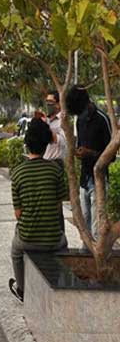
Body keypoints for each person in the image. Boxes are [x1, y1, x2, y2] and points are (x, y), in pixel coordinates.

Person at [8, 119, 68, 303]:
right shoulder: (55, 171)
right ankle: (61, 283)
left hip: (27, 239)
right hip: (53, 240)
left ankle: (23, 289)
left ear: (26, 145)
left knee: (15, 252)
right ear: (46, 145)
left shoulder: (17, 173)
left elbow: (18, 214)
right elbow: (58, 205)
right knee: (64, 246)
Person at [65, 85, 113, 239]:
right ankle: (87, 253)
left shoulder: (102, 119)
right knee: (84, 225)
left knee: (97, 228)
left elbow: (111, 154)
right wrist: (78, 152)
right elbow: (81, 145)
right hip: (84, 179)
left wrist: (90, 153)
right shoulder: (80, 120)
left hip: (98, 180)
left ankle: (98, 258)